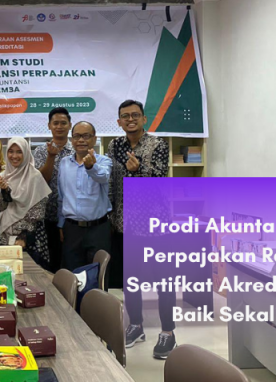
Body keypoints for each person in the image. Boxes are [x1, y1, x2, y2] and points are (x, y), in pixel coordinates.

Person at [107, 99, 174, 359]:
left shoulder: (158, 145)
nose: (130, 119)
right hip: (126, 225)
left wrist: (139, 170)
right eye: (125, 116)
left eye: (135, 115)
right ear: (119, 122)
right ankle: (136, 325)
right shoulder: (115, 146)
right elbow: (113, 181)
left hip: (156, 226)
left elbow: (160, 178)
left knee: (163, 281)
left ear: (144, 119)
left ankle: (168, 332)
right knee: (130, 280)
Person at [57, 121, 112, 271]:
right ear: (72, 139)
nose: (81, 140)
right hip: (72, 229)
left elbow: (103, 177)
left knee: (98, 274)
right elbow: (61, 196)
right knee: (72, 276)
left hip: (98, 229)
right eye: (77, 136)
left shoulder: (104, 161)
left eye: (86, 136)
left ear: (94, 139)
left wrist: (91, 167)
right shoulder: (64, 163)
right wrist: (61, 224)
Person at [0, 137, 52, 268]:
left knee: (31, 275)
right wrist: (4, 191)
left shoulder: (35, 176)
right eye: (11, 151)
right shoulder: (1, 177)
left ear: (26, 153)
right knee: (5, 273)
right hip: (5, 234)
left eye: (19, 152)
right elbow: (0, 206)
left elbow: (38, 211)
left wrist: (23, 237)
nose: (14, 156)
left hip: (30, 237)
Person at [33, 107, 74, 271]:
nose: (59, 126)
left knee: (69, 262)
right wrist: (51, 157)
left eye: (63, 123)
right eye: (55, 123)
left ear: (70, 125)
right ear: (49, 126)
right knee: (49, 263)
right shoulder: (40, 151)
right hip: (47, 215)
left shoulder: (76, 150)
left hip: (71, 216)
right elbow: (41, 181)